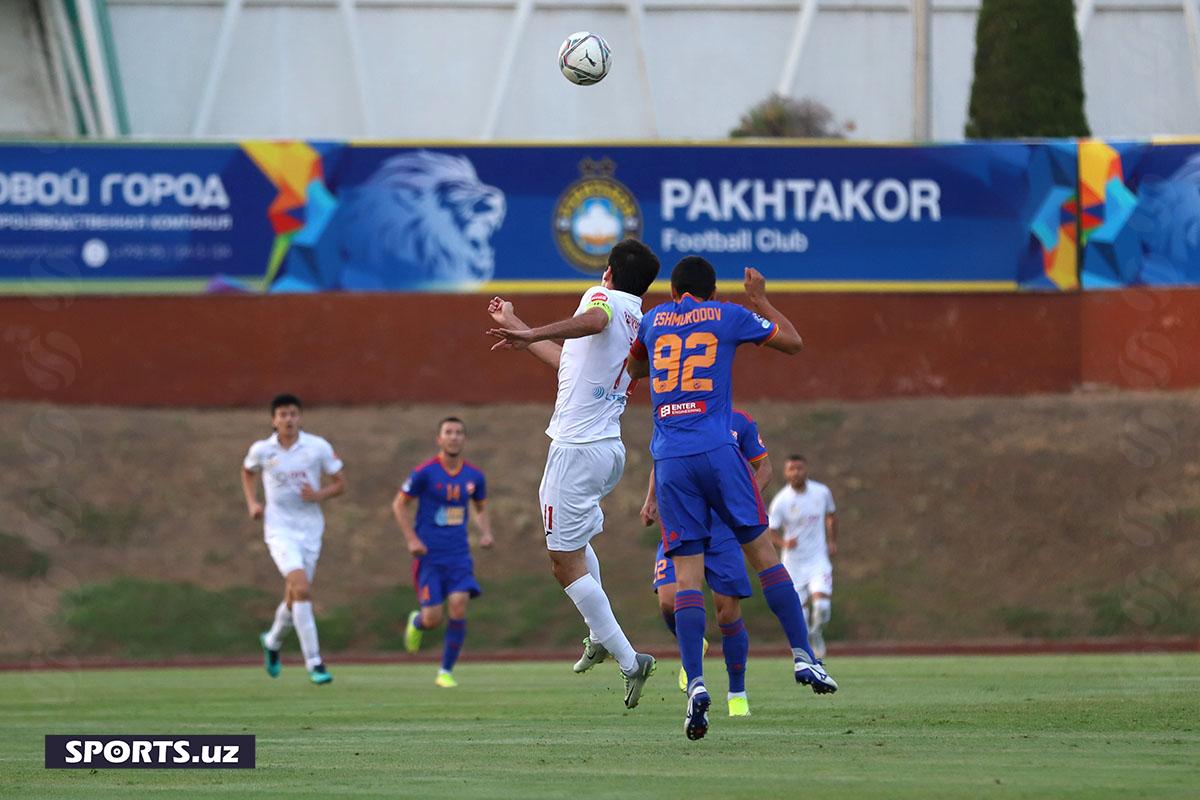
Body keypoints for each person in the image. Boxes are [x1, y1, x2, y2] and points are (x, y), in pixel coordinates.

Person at [626, 257, 838, 741]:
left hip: (670, 459)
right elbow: (793, 343)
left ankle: (697, 683)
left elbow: (636, 366)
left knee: (686, 578)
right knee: (762, 553)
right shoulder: (727, 314)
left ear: (675, 289)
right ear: (710, 290)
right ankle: (804, 656)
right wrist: (760, 299)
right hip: (720, 451)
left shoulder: (655, 320)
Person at [485, 238, 661, 709]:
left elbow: (594, 319)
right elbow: (571, 363)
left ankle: (628, 659)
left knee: (563, 562)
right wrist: (521, 331)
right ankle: (598, 634)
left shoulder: (600, 299)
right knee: (576, 547)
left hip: (577, 450)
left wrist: (534, 329)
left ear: (608, 272)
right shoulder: (639, 320)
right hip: (606, 449)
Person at [642, 408, 772, 717]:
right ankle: (694, 652)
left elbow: (764, 467)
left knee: (727, 610)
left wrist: (742, 497)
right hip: (681, 517)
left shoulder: (739, 421)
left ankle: (737, 692)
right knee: (669, 601)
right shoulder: (675, 414)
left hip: (721, 527)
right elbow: (661, 459)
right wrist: (651, 500)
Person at [242, 393, 345, 685]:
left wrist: (318, 495)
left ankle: (273, 641)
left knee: (295, 594)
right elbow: (247, 471)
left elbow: (341, 484)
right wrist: (252, 503)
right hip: (279, 529)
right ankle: (314, 662)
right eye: (283, 414)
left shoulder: (317, 447)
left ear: (300, 417)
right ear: (274, 420)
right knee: (301, 587)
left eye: (293, 414)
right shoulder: (262, 450)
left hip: (310, 529)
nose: (288, 419)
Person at [394, 417, 494, 687]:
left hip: (459, 555)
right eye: (448, 432)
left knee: (459, 605)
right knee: (433, 618)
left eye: (459, 432)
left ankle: (445, 672)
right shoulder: (425, 472)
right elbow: (399, 505)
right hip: (429, 556)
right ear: (439, 439)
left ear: (464, 439)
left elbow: (480, 507)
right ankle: (418, 623)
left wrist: (485, 532)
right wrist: (412, 540)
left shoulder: (474, 476)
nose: (454, 437)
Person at [769, 454, 838, 659]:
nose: (796, 472)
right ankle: (807, 642)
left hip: (818, 559)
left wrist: (832, 541)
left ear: (805, 469)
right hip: (794, 563)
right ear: (786, 473)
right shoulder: (781, 501)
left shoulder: (822, 492)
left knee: (822, 607)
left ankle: (816, 633)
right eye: (791, 469)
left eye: (799, 468)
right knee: (798, 613)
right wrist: (783, 543)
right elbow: (770, 530)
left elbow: (831, 516)